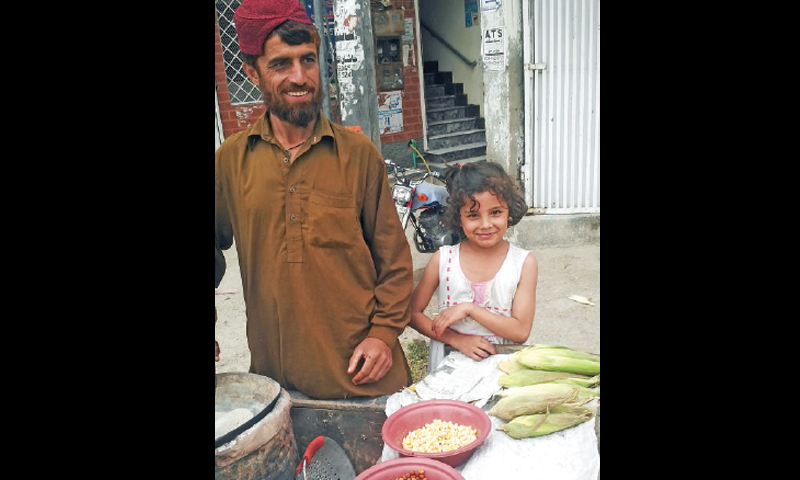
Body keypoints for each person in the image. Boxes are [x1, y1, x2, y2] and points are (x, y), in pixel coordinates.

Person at [215, 0, 414, 399]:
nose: (299, 77)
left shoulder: (358, 155)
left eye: (308, 59)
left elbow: (394, 262)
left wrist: (383, 334)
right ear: (253, 72)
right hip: (278, 386)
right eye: (281, 64)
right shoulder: (230, 162)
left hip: (365, 379)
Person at [408, 162, 538, 372]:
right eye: (473, 215)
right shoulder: (443, 260)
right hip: (448, 365)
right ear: (458, 217)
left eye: (495, 212)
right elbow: (412, 314)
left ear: (509, 211)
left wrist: (469, 309)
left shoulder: (523, 263)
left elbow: (520, 331)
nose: (485, 224)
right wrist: (456, 339)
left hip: (500, 367)